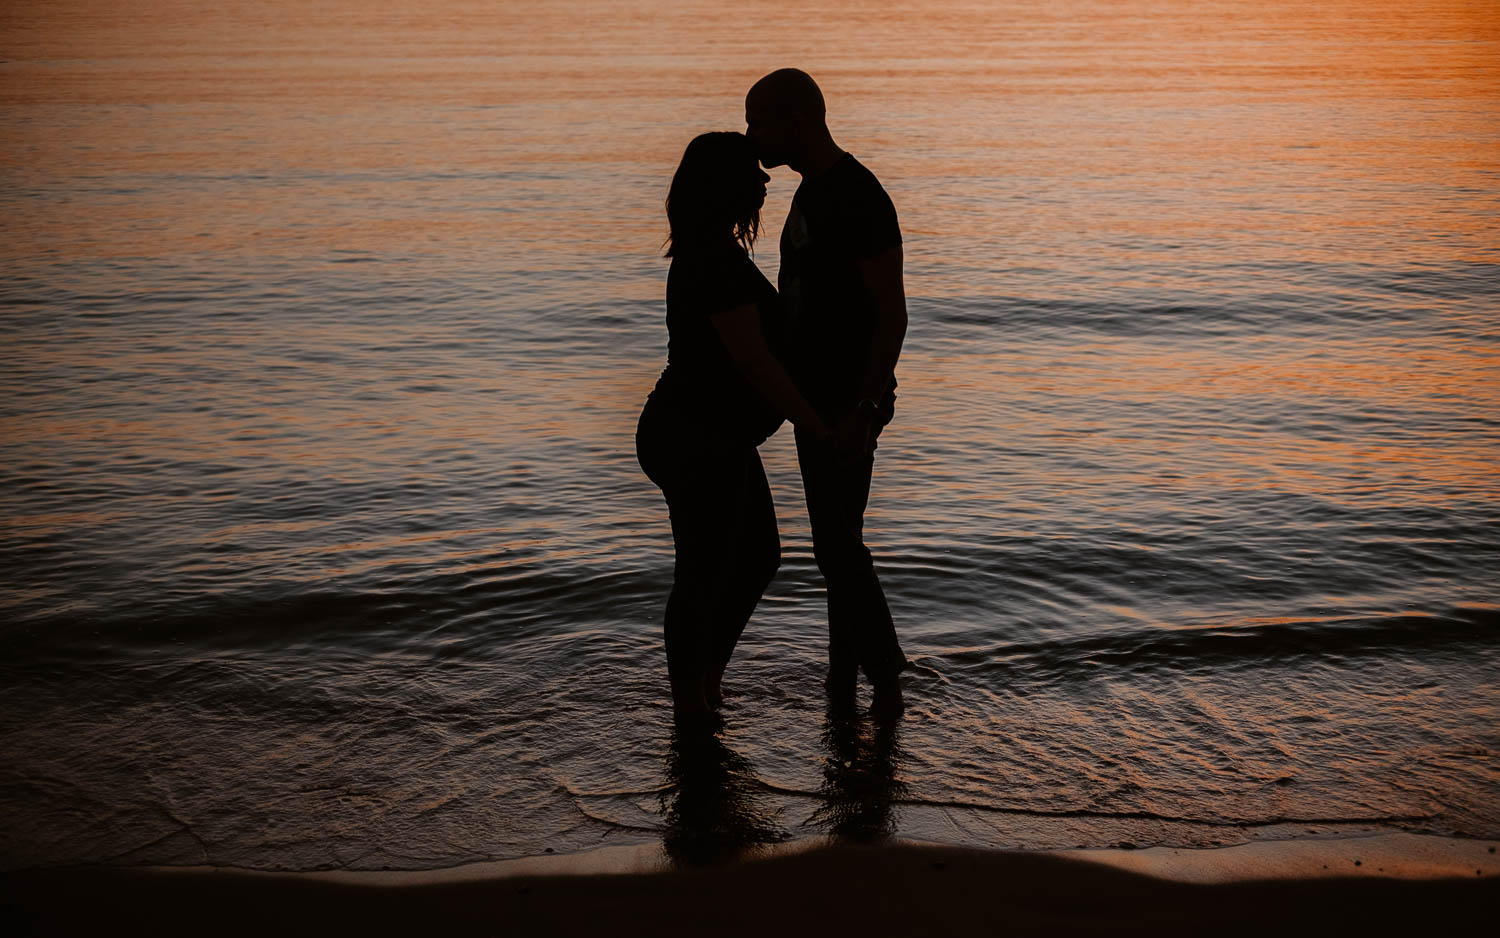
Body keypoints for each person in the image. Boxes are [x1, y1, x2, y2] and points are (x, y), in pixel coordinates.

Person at [636, 131, 832, 725]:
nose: (766, 180)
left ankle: (706, 682)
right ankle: (690, 706)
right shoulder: (713, 260)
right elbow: (753, 360)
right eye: (753, 171)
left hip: (715, 434)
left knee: (756, 558)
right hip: (694, 435)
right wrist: (816, 425)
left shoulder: (717, 250)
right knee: (703, 569)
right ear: (725, 185)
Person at [745, 68, 910, 719]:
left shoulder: (855, 195)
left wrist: (866, 407)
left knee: (834, 544)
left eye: (759, 120)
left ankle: (888, 679)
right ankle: (845, 684)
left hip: (848, 396)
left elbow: (892, 313)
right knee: (842, 542)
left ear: (797, 120)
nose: (751, 134)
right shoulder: (814, 191)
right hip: (819, 396)